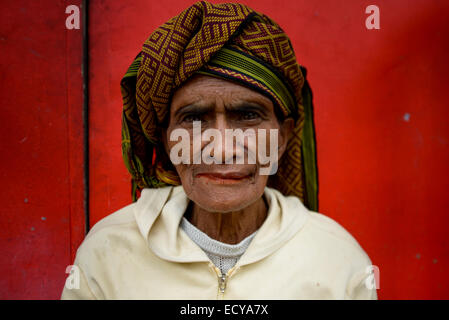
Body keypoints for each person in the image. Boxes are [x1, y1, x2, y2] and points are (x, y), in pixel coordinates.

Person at [61, 1, 377, 300]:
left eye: (248, 116)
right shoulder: (108, 253)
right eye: (194, 118)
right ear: (167, 139)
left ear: (283, 137)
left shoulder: (338, 260)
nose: (222, 149)